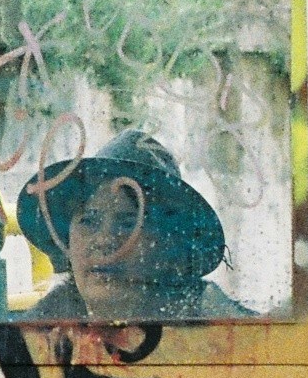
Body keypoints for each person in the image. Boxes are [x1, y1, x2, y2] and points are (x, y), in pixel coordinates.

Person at [17, 129, 246, 322]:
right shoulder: (32, 341)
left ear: (170, 247)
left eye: (128, 224)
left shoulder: (225, 333)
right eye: (88, 221)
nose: (104, 240)